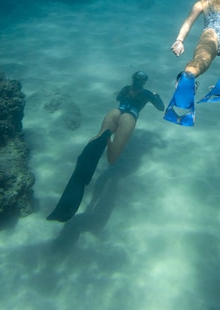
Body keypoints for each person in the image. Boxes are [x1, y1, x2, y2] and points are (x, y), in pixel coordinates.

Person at [47, 71, 164, 222]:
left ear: (132, 79)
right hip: (130, 116)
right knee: (112, 158)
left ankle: (102, 139)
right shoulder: (147, 93)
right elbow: (160, 107)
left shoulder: (125, 89)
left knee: (101, 134)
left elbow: (119, 98)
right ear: (144, 82)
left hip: (116, 111)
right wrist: (156, 95)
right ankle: (108, 144)